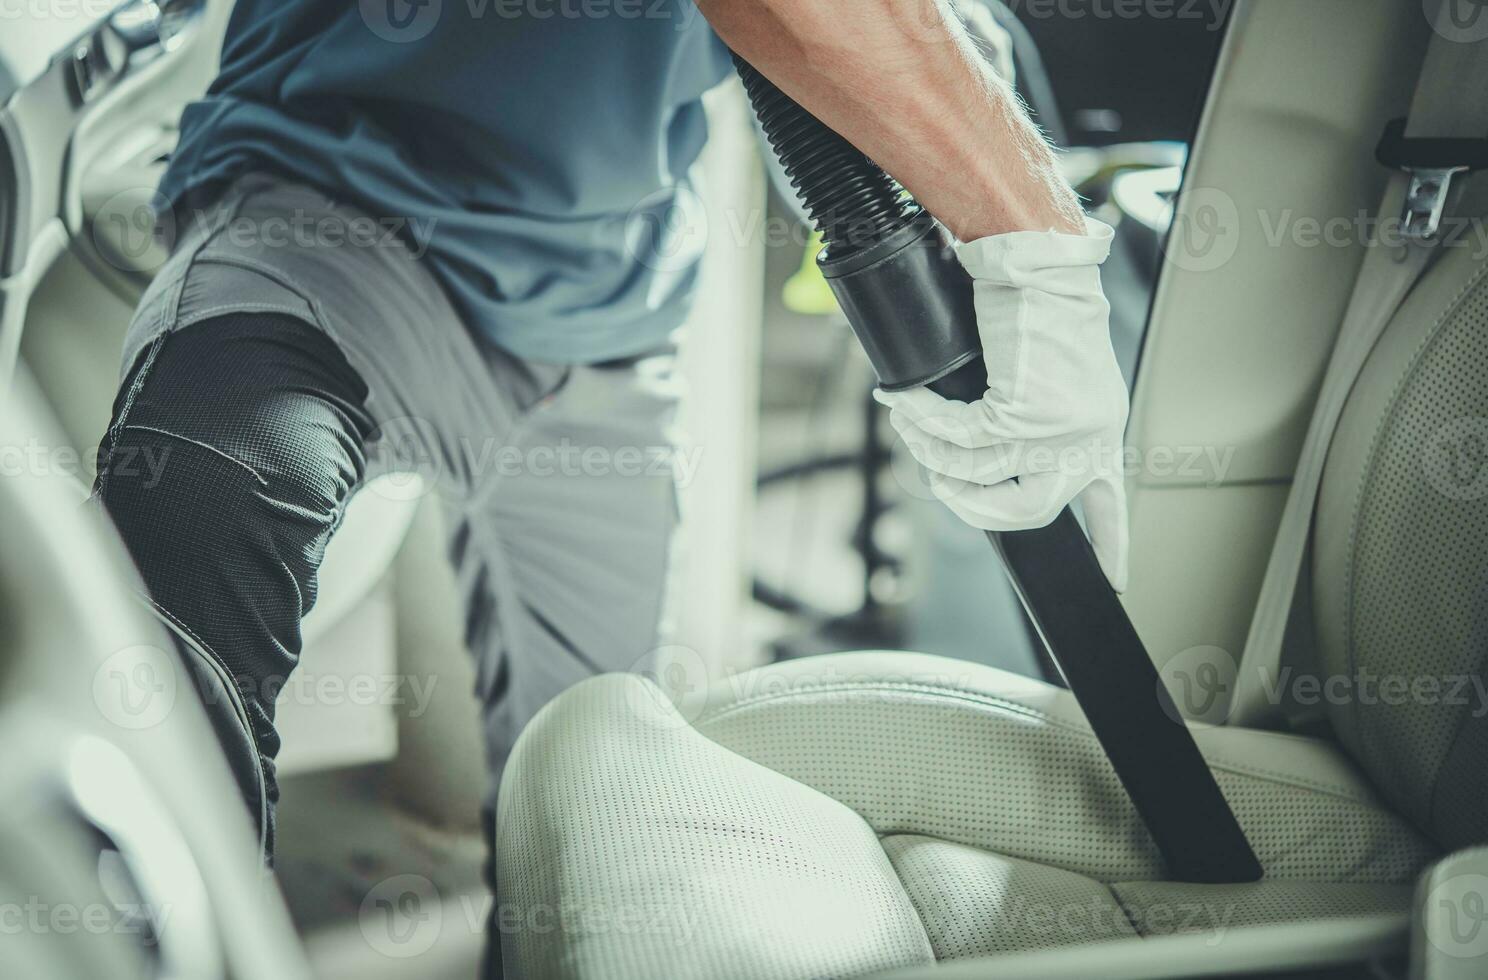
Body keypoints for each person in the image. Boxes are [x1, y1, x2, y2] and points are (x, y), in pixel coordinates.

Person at [93, 0, 1128, 965]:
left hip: (599, 315)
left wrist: (974, 130)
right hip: (328, 225)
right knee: (194, 532)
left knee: (595, 784)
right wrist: (1029, 230)